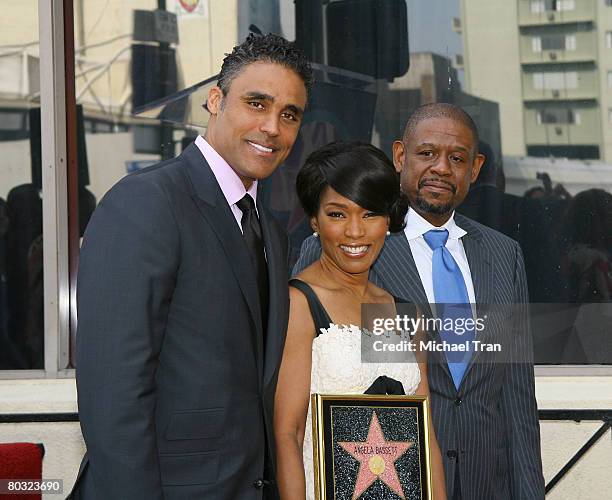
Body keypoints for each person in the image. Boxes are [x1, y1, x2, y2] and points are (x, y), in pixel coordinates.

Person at [70, 33, 312, 500]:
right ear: (215, 100)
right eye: (256, 103)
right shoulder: (147, 202)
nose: (271, 128)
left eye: (289, 114)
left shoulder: (270, 228)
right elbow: (113, 392)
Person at [294, 103, 545, 499]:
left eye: (457, 158)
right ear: (400, 156)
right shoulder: (353, 245)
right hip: (384, 480)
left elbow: (516, 396)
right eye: (427, 153)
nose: (441, 168)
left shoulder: (503, 254)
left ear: (475, 168)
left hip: (488, 483)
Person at [274, 142, 447, 500]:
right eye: (338, 214)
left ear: (388, 220)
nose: (355, 232)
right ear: (314, 221)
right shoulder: (301, 304)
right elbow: (287, 435)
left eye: (370, 214)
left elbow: (424, 436)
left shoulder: (404, 314)